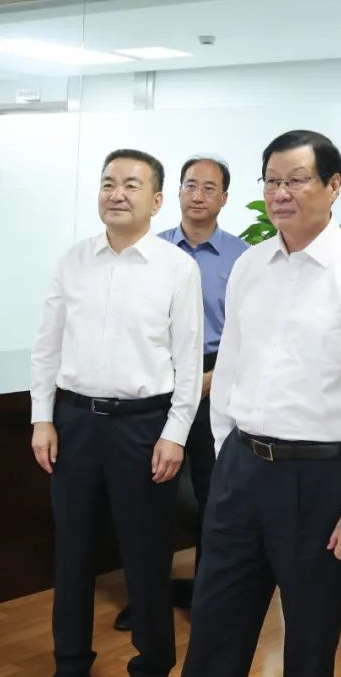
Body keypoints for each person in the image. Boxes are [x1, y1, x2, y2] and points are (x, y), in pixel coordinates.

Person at [181, 130, 341, 677]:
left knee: (309, 640)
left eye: (297, 180)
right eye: (272, 181)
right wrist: (227, 456)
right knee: (214, 627)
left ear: (334, 186)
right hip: (242, 470)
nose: (280, 193)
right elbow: (230, 372)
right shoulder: (250, 266)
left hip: (320, 480)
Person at [29, 149, 203, 677]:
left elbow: (188, 362)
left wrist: (175, 434)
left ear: (156, 200)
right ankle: (71, 662)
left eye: (131, 184)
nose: (117, 193)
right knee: (72, 551)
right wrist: (42, 418)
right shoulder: (73, 260)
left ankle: (152, 661)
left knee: (146, 551)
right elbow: (47, 347)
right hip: (75, 422)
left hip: (143, 426)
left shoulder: (178, 268)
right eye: (108, 183)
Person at [114, 155, 248, 631]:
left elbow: (248, 335)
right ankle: (145, 599)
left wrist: (203, 382)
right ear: (175, 193)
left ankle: (207, 599)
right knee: (150, 498)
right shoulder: (149, 251)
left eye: (209, 188)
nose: (198, 195)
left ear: (224, 198)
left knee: (214, 499)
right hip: (156, 382)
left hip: (216, 382)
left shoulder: (243, 259)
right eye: (190, 185)